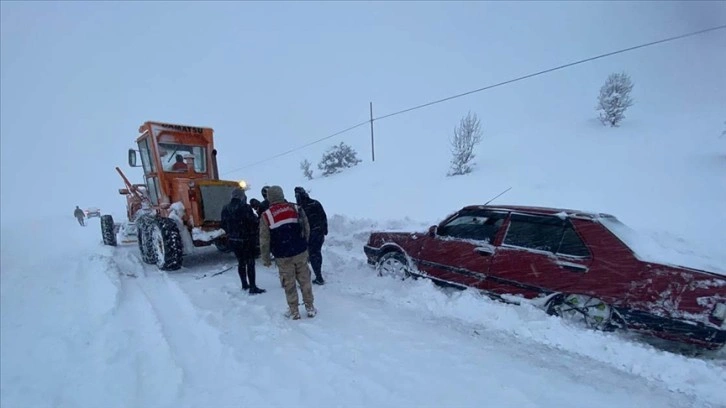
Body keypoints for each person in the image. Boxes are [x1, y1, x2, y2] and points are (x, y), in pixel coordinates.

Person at [259, 185, 316, 320]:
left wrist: (266, 258)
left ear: (269, 198)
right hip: (300, 251)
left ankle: (294, 311)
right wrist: (304, 244)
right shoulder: (296, 208)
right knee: (305, 280)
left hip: (282, 255)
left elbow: (264, 239)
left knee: (289, 283)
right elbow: (306, 227)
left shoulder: (266, 215)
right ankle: (310, 307)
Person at [221, 188, 266, 295]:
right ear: (241, 196)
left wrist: (231, 232)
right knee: (250, 262)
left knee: (241, 262)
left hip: (233, 240)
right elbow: (253, 222)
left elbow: (223, 224)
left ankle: (244, 284)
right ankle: (253, 287)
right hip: (246, 240)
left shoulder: (225, 208)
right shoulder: (245, 207)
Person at [294, 187, 328, 285]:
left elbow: (300, 223)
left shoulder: (300, 208)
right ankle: (318, 274)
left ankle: (318, 276)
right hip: (319, 232)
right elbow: (323, 217)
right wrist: (325, 230)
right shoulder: (315, 203)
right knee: (316, 253)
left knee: (313, 254)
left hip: (310, 234)